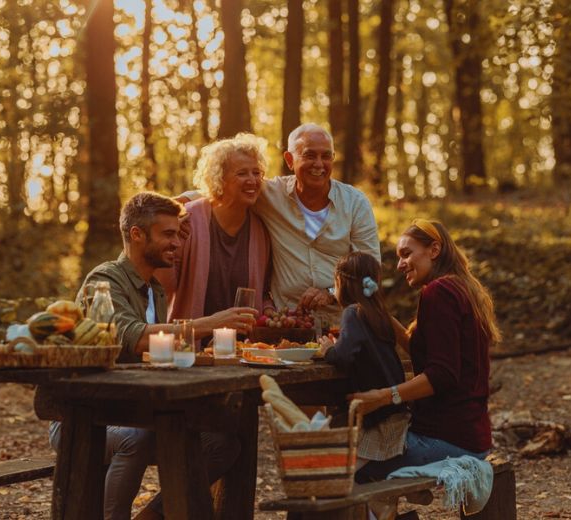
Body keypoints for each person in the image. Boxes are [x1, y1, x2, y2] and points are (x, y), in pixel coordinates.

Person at [48, 192, 255, 520]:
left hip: (131, 412)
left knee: (222, 444)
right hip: (84, 417)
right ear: (136, 234)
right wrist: (208, 324)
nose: (177, 243)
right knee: (137, 438)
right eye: (168, 235)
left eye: (178, 234)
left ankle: (151, 516)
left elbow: (154, 351)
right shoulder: (103, 281)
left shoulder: (154, 288)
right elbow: (133, 337)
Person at [179, 123, 380, 326]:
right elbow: (223, 189)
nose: (319, 164)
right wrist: (174, 206)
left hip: (343, 326)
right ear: (290, 160)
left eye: (326, 156)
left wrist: (332, 292)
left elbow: (371, 277)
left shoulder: (355, 204)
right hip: (286, 325)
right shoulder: (270, 194)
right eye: (310, 155)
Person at [350, 219, 501, 482]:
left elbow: (442, 374)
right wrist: (380, 313)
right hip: (471, 437)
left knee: (346, 466)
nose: (400, 265)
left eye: (406, 254)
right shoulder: (460, 287)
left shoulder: (438, 292)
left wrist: (384, 397)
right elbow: (428, 352)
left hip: (446, 441)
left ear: (434, 250)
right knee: (362, 450)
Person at [160, 133, 274, 321]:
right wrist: (165, 241)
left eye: (256, 173)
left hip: (245, 339)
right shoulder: (186, 220)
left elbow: (264, 293)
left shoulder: (261, 230)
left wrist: (269, 310)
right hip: (194, 337)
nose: (252, 180)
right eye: (242, 173)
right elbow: (163, 289)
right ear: (220, 178)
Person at [318, 252, 409, 469]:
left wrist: (328, 349)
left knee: (337, 471)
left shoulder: (353, 312)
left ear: (340, 283)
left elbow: (343, 356)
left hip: (377, 423)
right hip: (394, 414)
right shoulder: (378, 313)